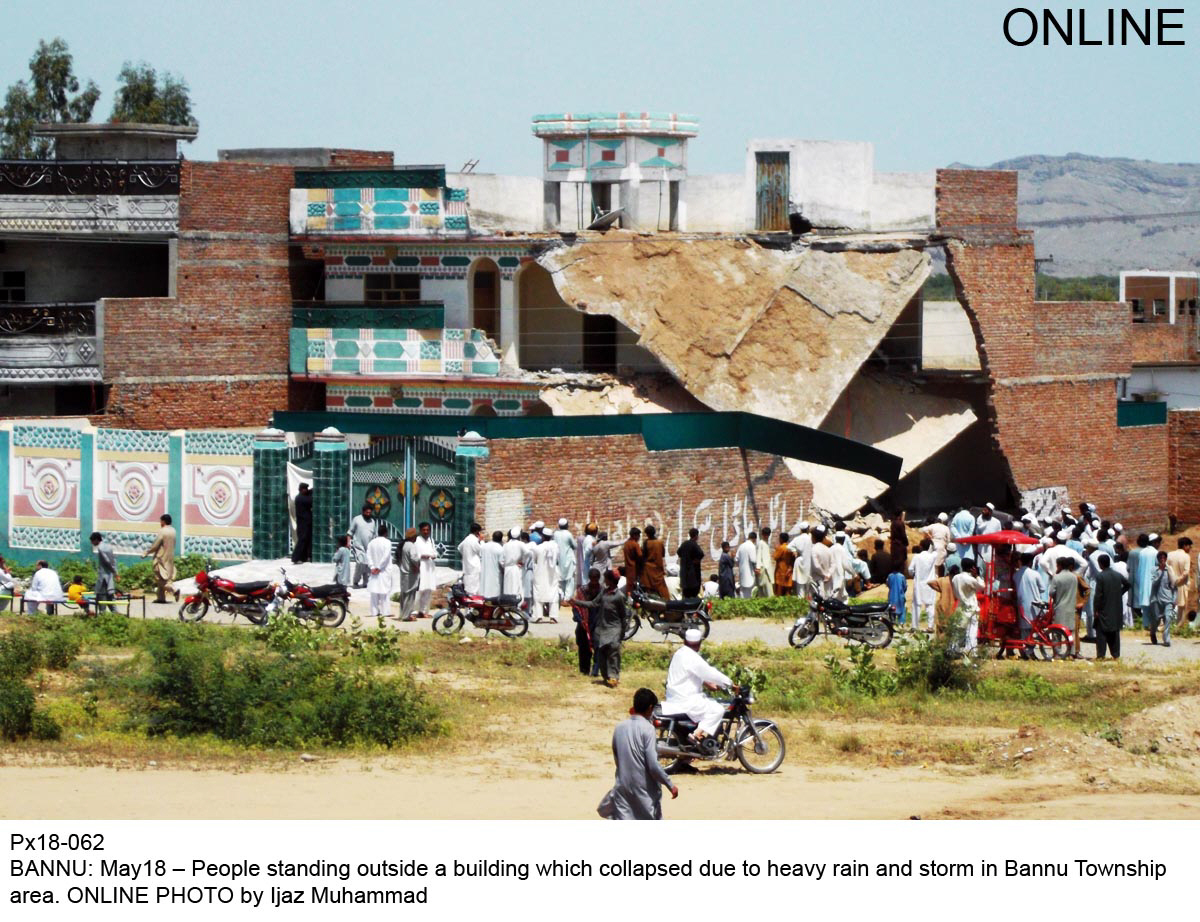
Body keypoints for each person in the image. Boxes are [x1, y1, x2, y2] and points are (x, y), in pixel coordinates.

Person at [603, 688, 678, 820]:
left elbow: (617, 759)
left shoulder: (619, 727)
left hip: (623, 787)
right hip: (644, 791)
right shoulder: (648, 729)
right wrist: (669, 784)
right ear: (650, 708)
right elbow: (653, 766)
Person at [661, 627, 734, 742]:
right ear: (699, 643)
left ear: (685, 641)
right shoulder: (692, 657)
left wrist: (706, 682)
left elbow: (691, 673)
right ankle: (696, 735)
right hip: (686, 700)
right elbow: (710, 672)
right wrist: (730, 684)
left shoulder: (680, 653)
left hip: (675, 697)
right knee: (718, 709)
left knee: (709, 705)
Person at [576, 570, 629, 687]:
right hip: (601, 629)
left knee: (613, 654)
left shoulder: (619, 596)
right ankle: (606, 677)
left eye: (606, 579)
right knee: (601, 654)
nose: (604, 581)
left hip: (614, 629)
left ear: (610, 580)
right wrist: (576, 602)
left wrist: (622, 632)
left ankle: (614, 677)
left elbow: (623, 615)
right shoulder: (604, 593)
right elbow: (593, 604)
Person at [1093, 554, 1128, 660]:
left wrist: (1096, 609)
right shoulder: (1117, 575)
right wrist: (1119, 593)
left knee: (1101, 632)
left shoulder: (1100, 576)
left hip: (1104, 607)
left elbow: (1098, 595)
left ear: (1100, 564)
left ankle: (1101, 655)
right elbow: (1127, 584)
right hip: (1116, 607)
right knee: (1114, 632)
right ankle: (1116, 654)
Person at [950, 560, 986, 654]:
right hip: (971, 607)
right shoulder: (970, 579)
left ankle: (954, 649)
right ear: (972, 568)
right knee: (972, 631)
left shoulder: (955, 578)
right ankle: (971, 651)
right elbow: (982, 587)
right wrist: (977, 576)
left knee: (958, 629)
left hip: (961, 605)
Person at [1015, 552, 1046, 659]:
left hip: (1022, 605)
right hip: (1035, 605)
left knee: (1024, 629)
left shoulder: (1016, 575)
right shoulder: (1035, 574)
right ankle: (1030, 651)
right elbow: (1042, 589)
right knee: (1034, 629)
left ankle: (1025, 651)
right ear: (1030, 562)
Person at [572, 568, 602, 676]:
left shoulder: (602, 591)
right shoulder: (582, 591)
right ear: (589, 578)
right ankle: (584, 670)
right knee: (583, 648)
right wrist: (580, 620)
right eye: (592, 579)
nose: (594, 581)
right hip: (583, 623)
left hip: (597, 622)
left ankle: (595, 670)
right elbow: (576, 608)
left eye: (596, 579)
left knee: (598, 647)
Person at [143, 514, 177, 603]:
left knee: (160, 578)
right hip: (170, 558)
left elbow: (155, 545)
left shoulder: (163, 531)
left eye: (160, 521)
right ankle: (161, 598)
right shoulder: (173, 531)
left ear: (163, 521)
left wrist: (147, 552)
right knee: (164, 578)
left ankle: (173, 590)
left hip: (161, 558)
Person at [1049, 557, 1078, 657]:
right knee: (1070, 631)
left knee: (1057, 632)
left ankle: (1057, 652)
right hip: (1071, 608)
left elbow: (1051, 593)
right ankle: (1072, 652)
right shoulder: (1074, 577)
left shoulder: (1057, 577)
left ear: (1060, 566)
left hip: (1059, 608)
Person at [908, 538, 937, 632]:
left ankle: (914, 626)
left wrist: (914, 574)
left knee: (916, 605)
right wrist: (932, 543)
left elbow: (910, 570)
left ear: (921, 546)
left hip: (919, 584)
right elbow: (936, 549)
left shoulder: (917, 557)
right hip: (930, 584)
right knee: (930, 605)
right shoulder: (932, 556)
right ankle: (930, 626)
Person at [366, 522, 393, 618]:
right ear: (386, 533)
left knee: (374, 591)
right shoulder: (387, 543)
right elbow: (386, 557)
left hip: (374, 571)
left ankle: (374, 611)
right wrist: (378, 567)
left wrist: (372, 567)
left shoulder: (371, 543)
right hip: (383, 570)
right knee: (384, 592)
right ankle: (385, 611)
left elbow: (368, 556)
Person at [347, 505, 378, 589]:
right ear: (363, 512)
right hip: (358, 547)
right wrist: (348, 542)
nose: (368, 514)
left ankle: (366, 582)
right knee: (360, 563)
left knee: (368, 565)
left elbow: (374, 535)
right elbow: (350, 532)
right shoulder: (357, 519)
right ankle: (356, 581)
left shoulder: (372, 522)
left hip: (369, 547)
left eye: (370, 513)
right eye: (367, 512)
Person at [533, 526, 560, 622]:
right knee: (553, 593)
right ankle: (553, 616)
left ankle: (538, 616)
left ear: (543, 537)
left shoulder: (537, 548)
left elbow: (534, 560)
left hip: (540, 573)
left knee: (538, 593)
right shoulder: (556, 547)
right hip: (552, 574)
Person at [1149, 550, 1175, 647]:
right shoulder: (1154, 570)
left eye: (1164, 558)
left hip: (1168, 598)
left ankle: (1166, 639)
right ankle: (1152, 632)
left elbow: (1174, 585)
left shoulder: (1170, 570)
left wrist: (1174, 598)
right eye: (1161, 558)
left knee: (1168, 618)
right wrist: (1160, 571)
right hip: (1156, 599)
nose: (1162, 560)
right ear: (1158, 559)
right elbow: (1154, 583)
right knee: (1156, 619)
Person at [413, 522, 438, 618]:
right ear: (420, 531)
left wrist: (433, 555)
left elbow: (434, 552)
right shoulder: (417, 541)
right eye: (424, 530)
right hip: (421, 566)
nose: (426, 532)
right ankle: (415, 611)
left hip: (430, 567)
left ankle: (424, 611)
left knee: (428, 589)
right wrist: (422, 556)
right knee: (419, 590)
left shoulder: (431, 540)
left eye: (427, 530)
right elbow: (414, 555)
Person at [1166, 537, 1192, 628]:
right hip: (1181, 584)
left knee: (1170, 605)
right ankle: (1178, 627)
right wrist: (1178, 580)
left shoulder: (1170, 555)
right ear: (1185, 546)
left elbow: (1167, 569)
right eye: (1189, 546)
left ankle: (1166, 625)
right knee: (1182, 607)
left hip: (1170, 584)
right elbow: (1186, 572)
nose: (1190, 548)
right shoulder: (1186, 556)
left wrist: (1172, 579)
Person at [640, 525, 670, 599]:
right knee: (662, 588)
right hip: (658, 568)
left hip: (649, 569)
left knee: (648, 589)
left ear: (647, 534)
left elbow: (643, 555)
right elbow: (662, 554)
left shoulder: (646, 543)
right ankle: (667, 603)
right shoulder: (660, 542)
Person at [90, 531, 117, 613]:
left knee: (101, 595)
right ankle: (115, 612)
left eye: (92, 541)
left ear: (96, 540)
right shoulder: (108, 546)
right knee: (109, 595)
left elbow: (107, 561)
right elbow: (113, 560)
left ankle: (102, 613)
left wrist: (114, 571)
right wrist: (114, 571)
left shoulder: (101, 548)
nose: (92, 543)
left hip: (103, 577)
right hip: (109, 575)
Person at [675, 528, 705, 599]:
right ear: (696, 536)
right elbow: (701, 554)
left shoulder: (684, 544)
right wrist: (695, 560)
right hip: (693, 577)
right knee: (693, 596)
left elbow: (678, 552)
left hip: (684, 576)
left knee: (686, 597)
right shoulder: (694, 545)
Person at [397, 528, 420, 620]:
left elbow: (396, 560)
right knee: (410, 596)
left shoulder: (403, 545)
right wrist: (417, 565)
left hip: (404, 573)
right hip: (410, 574)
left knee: (404, 595)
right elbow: (414, 558)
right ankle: (406, 616)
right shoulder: (411, 546)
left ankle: (402, 614)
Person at [554, 518, 578, 600]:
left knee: (561, 579)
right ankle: (567, 598)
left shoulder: (555, 534)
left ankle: (562, 596)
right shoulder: (568, 534)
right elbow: (575, 546)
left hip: (559, 559)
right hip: (568, 559)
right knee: (569, 579)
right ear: (567, 525)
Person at [457, 523, 483, 596]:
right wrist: (481, 541)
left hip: (466, 564)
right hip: (474, 566)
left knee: (468, 583)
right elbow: (481, 551)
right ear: (477, 532)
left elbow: (459, 548)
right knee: (474, 585)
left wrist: (466, 555)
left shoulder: (467, 539)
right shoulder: (474, 540)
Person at [810, 527, 835, 599]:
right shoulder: (827, 549)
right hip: (828, 580)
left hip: (818, 580)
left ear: (814, 538)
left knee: (819, 600)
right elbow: (833, 564)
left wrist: (824, 575)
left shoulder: (814, 550)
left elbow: (816, 566)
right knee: (828, 598)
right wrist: (829, 574)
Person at [291, 482, 313, 564]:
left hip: (306, 522)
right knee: (302, 540)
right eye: (305, 489)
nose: (306, 490)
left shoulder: (303, 496)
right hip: (302, 523)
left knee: (307, 540)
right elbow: (311, 500)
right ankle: (295, 557)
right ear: (301, 490)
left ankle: (304, 557)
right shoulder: (300, 498)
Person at [502, 527, 526, 598]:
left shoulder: (505, 545)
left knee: (508, 587)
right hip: (517, 568)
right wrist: (522, 562)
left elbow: (501, 560)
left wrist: (505, 566)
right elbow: (527, 554)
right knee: (517, 587)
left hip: (507, 569)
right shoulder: (521, 544)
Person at [790, 523, 813, 599]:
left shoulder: (797, 538)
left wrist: (794, 550)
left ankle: (801, 603)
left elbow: (789, 546)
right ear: (807, 529)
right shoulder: (810, 538)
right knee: (808, 587)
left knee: (800, 587)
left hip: (800, 562)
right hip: (809, 562)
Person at [479, 530, 504, 599]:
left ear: (492, 537)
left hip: (484, 575)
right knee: (494, 596)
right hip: (495, 576)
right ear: (501, 539)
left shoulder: (484, 547)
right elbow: (502, 563)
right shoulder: (500, 549)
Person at [773, 533, 796, 598]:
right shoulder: (790, 547)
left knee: (779, 592)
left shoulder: (781, 548)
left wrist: (776, 549)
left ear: (781, 539)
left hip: (781, 571)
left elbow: (775, 557)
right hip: (789, 571)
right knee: (788, 591)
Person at [753, 526, 774, 598]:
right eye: (765, 534)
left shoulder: (766, 543)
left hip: (767, 569)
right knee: (765, 591)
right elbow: (758, 556)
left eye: (767, 534)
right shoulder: (761, 543)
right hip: (763, 569)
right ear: (762, 534)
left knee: (768, 590)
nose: (766, 536)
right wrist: (758, 568)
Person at [735, 532, 757, 599]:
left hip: (742, 572)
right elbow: (754, 560)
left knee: (742, 591)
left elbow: (736, 559)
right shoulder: (752, 546)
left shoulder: (741, 546)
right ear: (754, 539)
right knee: (750, 591)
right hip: (749, 573)